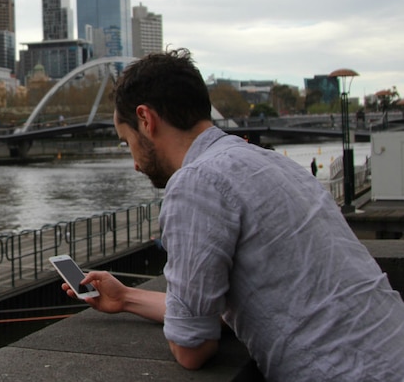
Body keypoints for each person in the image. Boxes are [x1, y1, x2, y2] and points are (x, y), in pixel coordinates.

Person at [61, 49, 404, 380]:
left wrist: (185, 327)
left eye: (127, 142)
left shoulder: (195, 182)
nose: (135, 163)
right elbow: (212, 311)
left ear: (145, 119)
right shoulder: (272, 163)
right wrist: (126, 298)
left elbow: (191, 347)